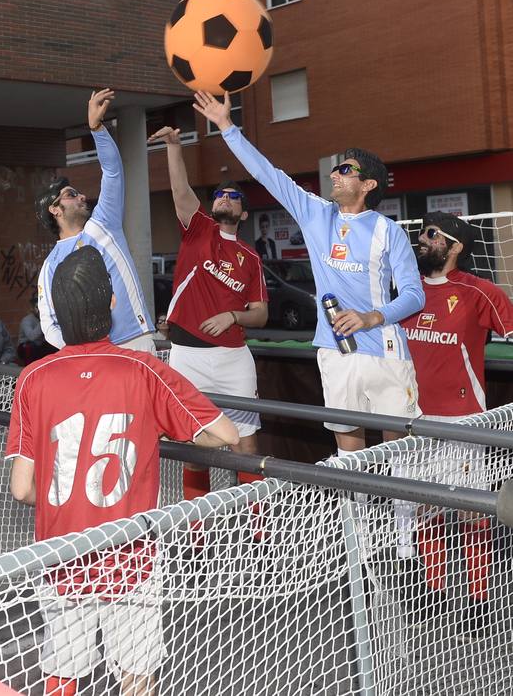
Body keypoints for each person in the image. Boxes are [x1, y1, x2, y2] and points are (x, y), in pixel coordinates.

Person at [5, 246, 238, 696]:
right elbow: (223, 433)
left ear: (56, 313)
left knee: (63, 671)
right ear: (111, 303)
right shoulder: (143, 368)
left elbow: (21, 489)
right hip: (131, 559)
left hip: (61, 557)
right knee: (136, 674)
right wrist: (159, 431)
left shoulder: (33, 377)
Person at [193, 91, 425, 457]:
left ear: (368, 184)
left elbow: (414, 295)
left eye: (345, 170)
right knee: (350, 457)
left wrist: (371, 317)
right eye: (335, 169)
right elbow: (267, 174)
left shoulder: (388, 230)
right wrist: (226, 126)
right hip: (335, 351)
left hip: (386, 352)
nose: (334, 174)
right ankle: (354, 498)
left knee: (399, 456)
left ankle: (401, 499)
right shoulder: (316, 213)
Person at [401, 211, 513, 638]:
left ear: (455, 246)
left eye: (432, 234)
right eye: (422, 232)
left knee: (471, 512)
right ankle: (434, 592)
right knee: (425, 508)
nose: (422, 239)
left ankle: (478, 600)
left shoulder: (478, 291)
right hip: (414, 421)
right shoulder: (406, 291)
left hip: (464, 420)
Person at [146, 125, 268, 505]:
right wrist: (174, 146)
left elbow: (261, 314)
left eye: (233, 196)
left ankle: (257, 528)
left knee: (245, 446)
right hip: (188, 357)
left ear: (243, 212)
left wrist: (233, 316)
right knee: (195, 446)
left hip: (234, 359)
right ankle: (197, 527)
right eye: (219, 194)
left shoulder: (251, 258)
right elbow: (180, 190)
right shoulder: (198, 229)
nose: (225, 198)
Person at [36, 88, 154, 353]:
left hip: (134, 341)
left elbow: (112, 172)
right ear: (54, 210)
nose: (81, 196)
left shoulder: (103, 223)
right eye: (71, 194)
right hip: (92, 355)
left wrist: (97, 128)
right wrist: (82, 352)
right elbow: (49, 324)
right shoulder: (50, 265)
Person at [18, 295, 55, 364]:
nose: (40, 310)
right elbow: (31, 337)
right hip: (27, 345)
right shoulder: (27, 320)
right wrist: (43, 321)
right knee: (31, 347)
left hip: (41, 344)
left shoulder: (47, 318)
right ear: (32, 308)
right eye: (37, 307)